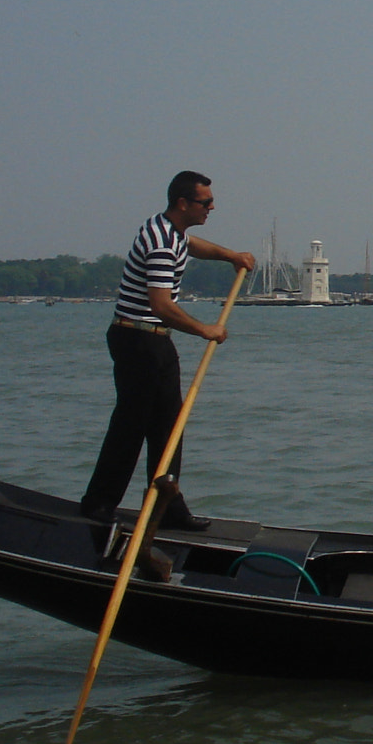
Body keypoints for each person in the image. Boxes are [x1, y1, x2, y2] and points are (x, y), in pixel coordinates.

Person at [80, 172, 255, 533]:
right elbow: (160, 304)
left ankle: (167, 506)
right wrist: (204, 329)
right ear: (183, 204)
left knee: (168, 428)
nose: (212, 207)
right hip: (137, 339)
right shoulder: (160, 241)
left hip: (155, 341)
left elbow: (191, 246)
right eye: (205, 202)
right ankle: (98, 504)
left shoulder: (171, 232)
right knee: (131, 426)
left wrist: (230, 256)